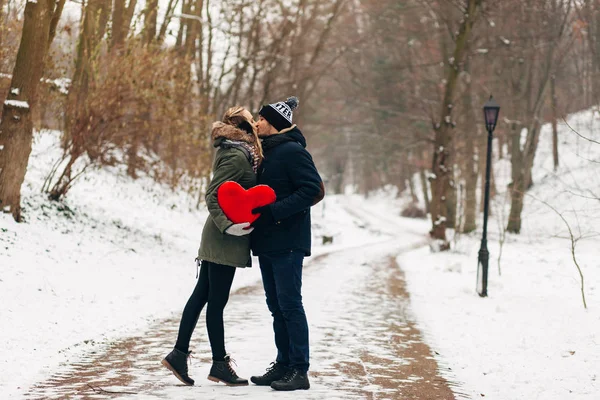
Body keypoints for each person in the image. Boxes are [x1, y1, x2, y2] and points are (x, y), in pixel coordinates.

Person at [162, 106, 263, 387]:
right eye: (253, 124)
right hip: (224, 238)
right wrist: (228, 226)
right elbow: (212, 194)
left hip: (223, 237)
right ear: (244, 129)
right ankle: (219, 364)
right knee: (216, 303)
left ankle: (179, 354)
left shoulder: (240, 152)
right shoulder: (235, 155)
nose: (257, 128)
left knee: (202, 297)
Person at [249, 96, 325, 391]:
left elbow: (312, 190)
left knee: (290, 304)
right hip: (268, 241)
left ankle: (299, 369)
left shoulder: (293, 152)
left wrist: (276, 211)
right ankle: (282, 364)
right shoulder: (267, 153)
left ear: (276, 124)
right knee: (275, 305)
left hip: (288, 241)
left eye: (262, 119)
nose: (257, 123)